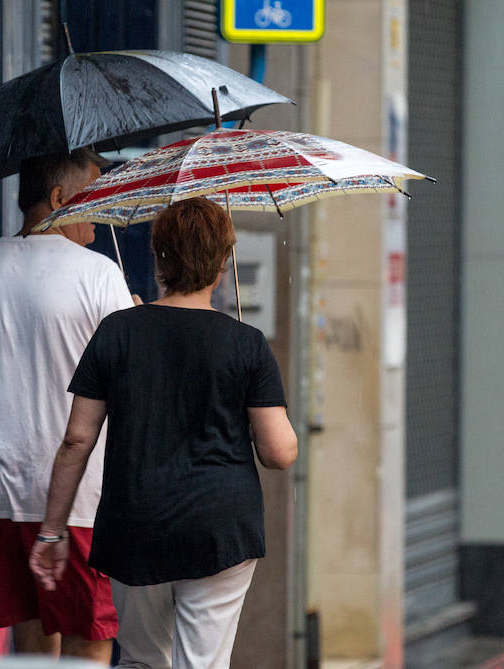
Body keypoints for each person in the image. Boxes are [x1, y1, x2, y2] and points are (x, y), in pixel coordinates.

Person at [29, 196, 298, 669]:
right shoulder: (246, 344)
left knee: (141, 659)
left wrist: (53, 531)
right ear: (221, 263)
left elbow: (76, 440)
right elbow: (278, 452)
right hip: (219, 527)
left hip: (136, 522)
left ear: (159, 258)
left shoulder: (118, 331)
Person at [0, 148, 136, 664]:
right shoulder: (99, 275)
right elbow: (136, 375)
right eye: (93, 194)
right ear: (59, 198)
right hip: (79, 500)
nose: (101, 208)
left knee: (30, 639)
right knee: (90, 637)